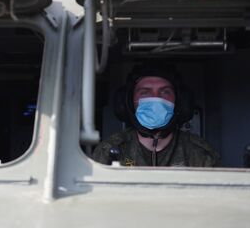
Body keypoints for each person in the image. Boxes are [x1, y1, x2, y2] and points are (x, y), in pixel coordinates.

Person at [92, 64, 220, 167]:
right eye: (145, 92)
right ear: (129, 104)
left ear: (179, 103)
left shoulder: (200, 154)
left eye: (165, 92)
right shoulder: (110, 151)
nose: (156, 99)